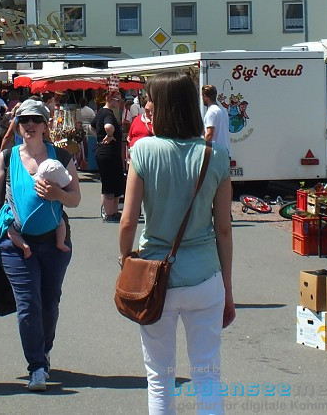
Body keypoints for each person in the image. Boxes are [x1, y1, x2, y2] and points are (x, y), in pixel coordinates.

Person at [118, 72, 235, 414]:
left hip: (156, 277)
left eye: (150, 100)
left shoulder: (143, 151)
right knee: (207, 373)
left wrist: (125, 261)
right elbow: (224, 229)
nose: (146, 107)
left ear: (163, 107)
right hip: (205, 276)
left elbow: (128, 221)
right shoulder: (215, 156)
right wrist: (227, 287)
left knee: (160, 376)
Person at [0, 98, 81, 392]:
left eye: (36, 120)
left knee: (49, 303)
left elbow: (75, 199)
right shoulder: (7, 156)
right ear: (18, 125)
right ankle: (36, 365)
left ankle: (44, 349)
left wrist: (57, 195)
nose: (31, 125)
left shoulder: (61, 157)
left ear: (46, 124)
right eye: (25, 121)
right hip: (16, 242)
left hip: (54, 243)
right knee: (28, 304)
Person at [93, 92, 125, 222]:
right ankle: (109, 213)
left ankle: (113, 211)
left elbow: (92, 126)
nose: (119, 103)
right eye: (117, 100)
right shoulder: (108, 114)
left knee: (115, 182)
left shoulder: (101, 112)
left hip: (106, 151)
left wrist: (99, 138)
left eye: (120, 100)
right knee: (109, 183)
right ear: (109, 99)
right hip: (108, 152)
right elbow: (108, 126)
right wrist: (110, 135)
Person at [202, 85, 231, 156]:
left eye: (202, 96)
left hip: (215, 154)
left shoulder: (211, 111)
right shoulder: (222, 110)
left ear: (205, 96)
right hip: (225, 152)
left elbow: (209, 135)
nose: (202, 98)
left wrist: (202, 152)